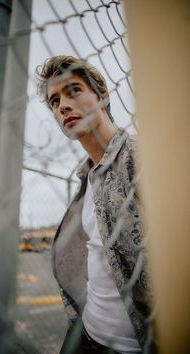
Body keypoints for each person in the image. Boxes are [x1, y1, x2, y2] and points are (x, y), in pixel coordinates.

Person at [36, 56, 157, 354]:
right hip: (86, 332)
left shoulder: (141, 158)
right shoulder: (85, 178)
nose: (62, 105)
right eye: (54, 101)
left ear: (102, 96)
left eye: (73, 91)